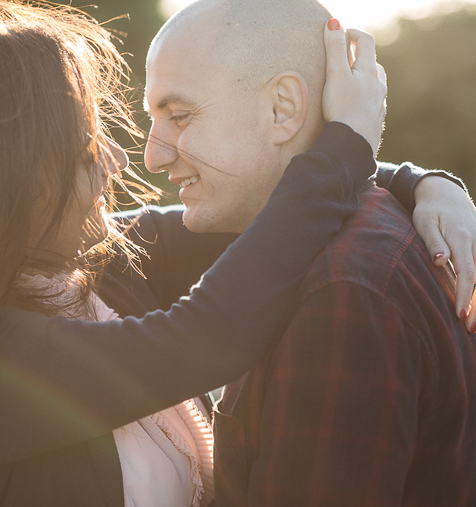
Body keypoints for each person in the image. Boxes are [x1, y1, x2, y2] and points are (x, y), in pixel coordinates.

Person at [0, 1, 474, 506]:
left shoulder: (73, 263)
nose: (129, 161)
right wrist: (347, 145)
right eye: (85, 149)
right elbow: (206, 336)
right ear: (6, 180)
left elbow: (267, 206)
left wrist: (421, 182)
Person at [141, 0, 476, 505]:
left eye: (180, 116)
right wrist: (424, 180)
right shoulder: (350, 240)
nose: (152, 155)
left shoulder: (342, 292)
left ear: (283, 108)